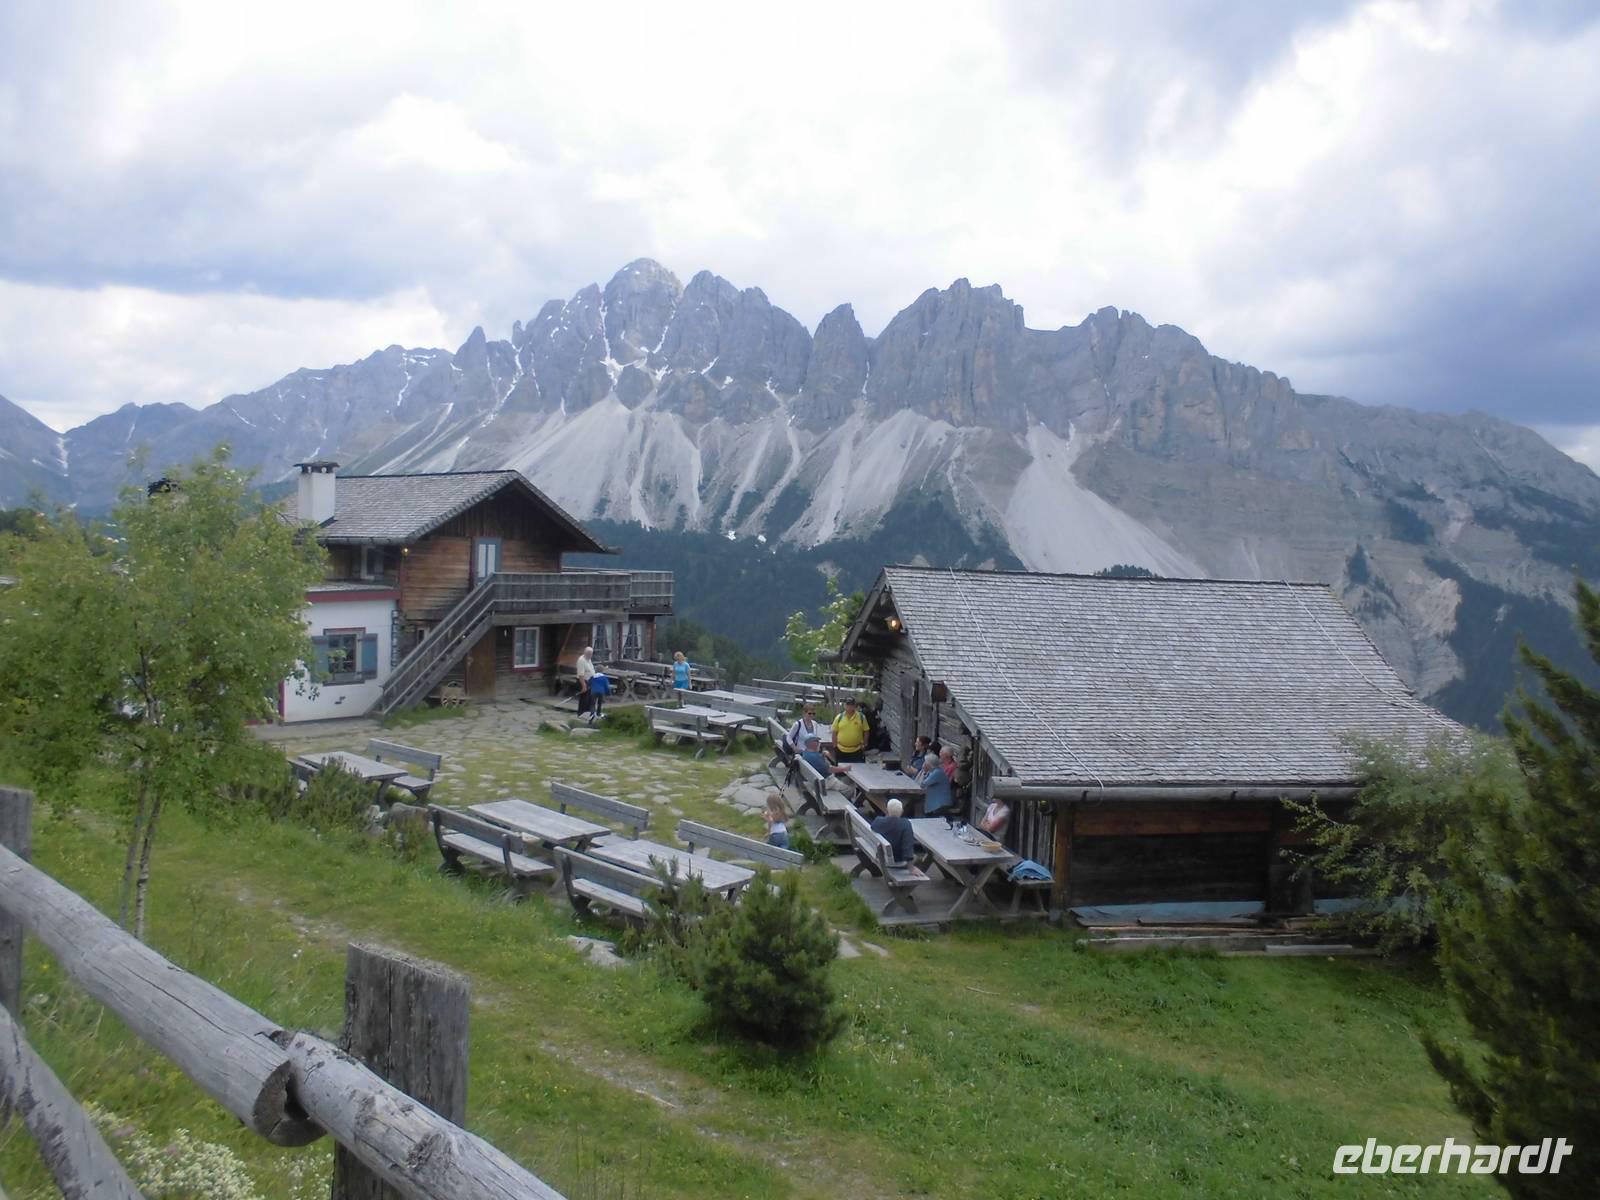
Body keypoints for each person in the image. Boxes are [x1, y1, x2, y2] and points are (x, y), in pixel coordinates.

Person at [871, 798, 916, 865]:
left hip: (881, 855)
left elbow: (873, 826)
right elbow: (907, 848)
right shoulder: (906, 824)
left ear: (887, 810)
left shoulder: (878, 821)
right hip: (898, 860)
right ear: (902, 811)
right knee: (915, 857)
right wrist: (911, 868)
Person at [830, 697, 870, 764]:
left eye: (851, 705)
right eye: (848, 705)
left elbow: (866, 730)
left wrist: (865, 744)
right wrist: (835, 746)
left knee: (857, 772)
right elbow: (834, 732)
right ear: (844, 705)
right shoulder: (839, 717)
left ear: (854, 706)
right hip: (841, 750)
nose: (849, 707)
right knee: (840, 772)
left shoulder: (861, 717)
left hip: (857, 750)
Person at [917, 752, 955, 820]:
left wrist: (924, 771)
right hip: (935, 804)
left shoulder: (937, 772)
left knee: (919, 808)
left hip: (940, 805)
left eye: (925, 762)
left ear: (929, 764)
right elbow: (918, 782)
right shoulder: (933, 771)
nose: (924, 763)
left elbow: (923, 784)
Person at [575, 645, 595, 717]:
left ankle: (590, 714)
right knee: (584, 700)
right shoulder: (581, 660)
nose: (590, 655)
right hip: (583, 681)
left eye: (591, 654)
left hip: (590, 681)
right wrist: (584, 686)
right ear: (585, 653)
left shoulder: (588, 659)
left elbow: (590, 670)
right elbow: (581, 675)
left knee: (590, 700)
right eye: (588, 654)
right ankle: (581, 715)